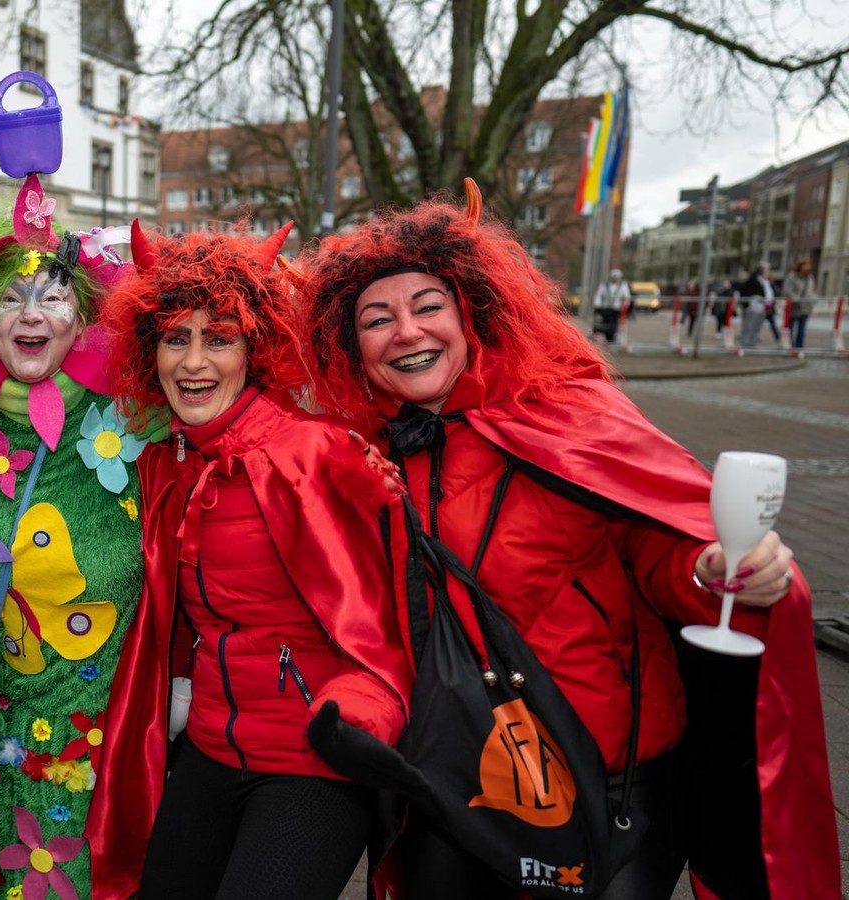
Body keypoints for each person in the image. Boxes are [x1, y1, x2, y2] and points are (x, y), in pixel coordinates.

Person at [301, 182, 836, 898]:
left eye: (429, 306)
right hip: (454, 773)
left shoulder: (567, 414)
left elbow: (660, 552)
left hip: (605, 770)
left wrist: (716, 574)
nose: (406, 331)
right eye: (377, 318)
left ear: (472, 314)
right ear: (351, 347)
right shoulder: (355, 455)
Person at [97, 223, 414, 900]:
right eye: (175, 339)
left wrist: (360, 715)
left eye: (219, 339)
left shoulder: (315, 455)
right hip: (211, 748)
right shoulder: (168, 463)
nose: (193, 362)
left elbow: (386, 624)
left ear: (255, 350)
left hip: (312, 759)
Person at [0, 175, 148, 900]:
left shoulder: (139, 417)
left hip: (102, 731)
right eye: (10, 299)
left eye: (52, 298)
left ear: (83, 319)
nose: (31, 315)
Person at [737, 262, 776, 348]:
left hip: (763, 308)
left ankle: (752, 343)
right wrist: (748, 304)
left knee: (757, 326)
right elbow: (746, 292)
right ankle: (745, 344)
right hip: (753, 307)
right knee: (749, 326)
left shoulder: (766, 282)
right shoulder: (753, 280)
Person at [783, 257, 816, 349]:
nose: (807, 269)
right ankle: (789, 345)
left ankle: (799, 347)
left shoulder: (810, 278)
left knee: (801, 329)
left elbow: (811, 291)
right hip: (794, 306)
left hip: (806, 307)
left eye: (808, 267)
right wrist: (795, 298)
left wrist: (813, 299)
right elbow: (787, 290)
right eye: (805, 267)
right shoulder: (792, 276)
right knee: (790, 328)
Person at [592, 268, 629, 344]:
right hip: (606, 308)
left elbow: (626, 297)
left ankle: (610, 338)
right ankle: (605, 336)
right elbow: (599, 295)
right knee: (605, 323)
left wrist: (625, 306)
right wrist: (597, 304)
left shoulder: (623, 286)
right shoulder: (604, 285)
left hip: (616, 309)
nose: (616, 279)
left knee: (613, 324)